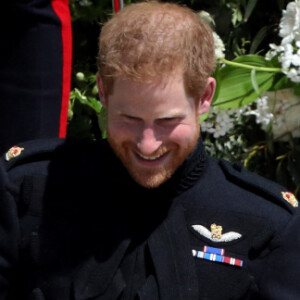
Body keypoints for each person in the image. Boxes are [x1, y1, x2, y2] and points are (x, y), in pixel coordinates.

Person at [0, 1, 300, 299]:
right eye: (129, 118)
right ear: (103, 90)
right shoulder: (28, 188)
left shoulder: (265, 224)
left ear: (205, 97)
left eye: (167, 121)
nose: (147, 144)